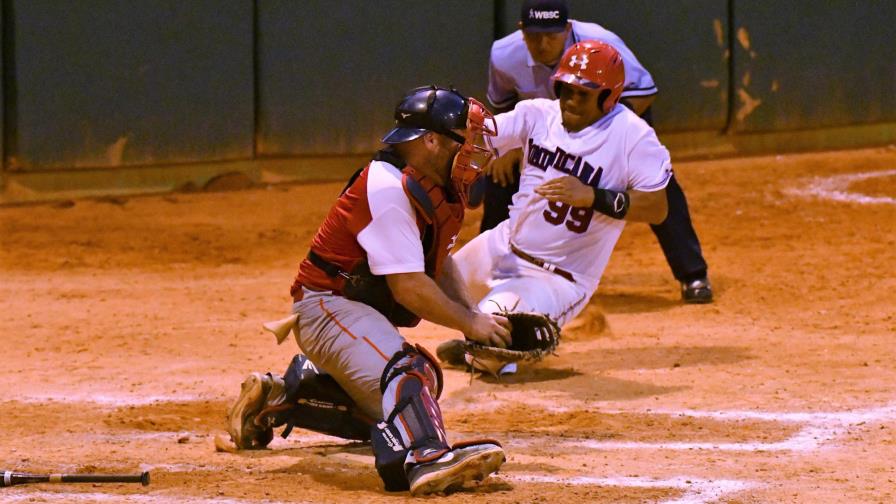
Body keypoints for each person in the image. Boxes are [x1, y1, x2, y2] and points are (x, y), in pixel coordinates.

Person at [224, 86, 509, 496]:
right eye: (465, 139)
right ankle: (425, 458)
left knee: (418, 391)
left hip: (349, 311)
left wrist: (473, 321)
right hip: (326, 308)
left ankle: (287, 395)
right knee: (406, 375)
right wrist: (472, 323)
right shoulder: (387, 186)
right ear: (432, 141)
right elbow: (410, 288)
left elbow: (437, 266)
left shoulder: (434, 186)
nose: (475, 152)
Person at [441, 40, 671, 373]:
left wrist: (593, 196)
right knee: (417, 284)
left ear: (608, 97)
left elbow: (657, 207)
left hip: (557, 279)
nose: (571, 100)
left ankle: (483, 346)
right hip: (501, 246)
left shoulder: (633, 138)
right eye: (565, 90)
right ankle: (475, 338)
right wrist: (460, 154)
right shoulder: (537, 114)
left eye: (584, 93)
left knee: (487, 354)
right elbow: (483, 137)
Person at [480, 0, 712, 303]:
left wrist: (604, 140)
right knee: (501, 178)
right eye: (534, 35)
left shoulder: (601, 43)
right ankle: (491, 273)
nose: (543, 43)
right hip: (544, 128)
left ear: (568, 28)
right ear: (521, 31)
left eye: (552, 34)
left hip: (611, 115)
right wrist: (508, 150)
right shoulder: (503, 54)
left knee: (656, 187)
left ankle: (692, 274)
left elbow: (643, 92)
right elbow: (503, 106)